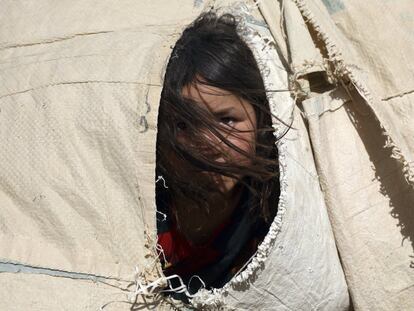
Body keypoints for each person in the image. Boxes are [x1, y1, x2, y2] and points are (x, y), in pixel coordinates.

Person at [155, 11, 280, 297]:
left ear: (260, 119)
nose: (208, 143)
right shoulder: (147, 204)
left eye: (227, 120)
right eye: (183, 124)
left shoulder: (269, 206)